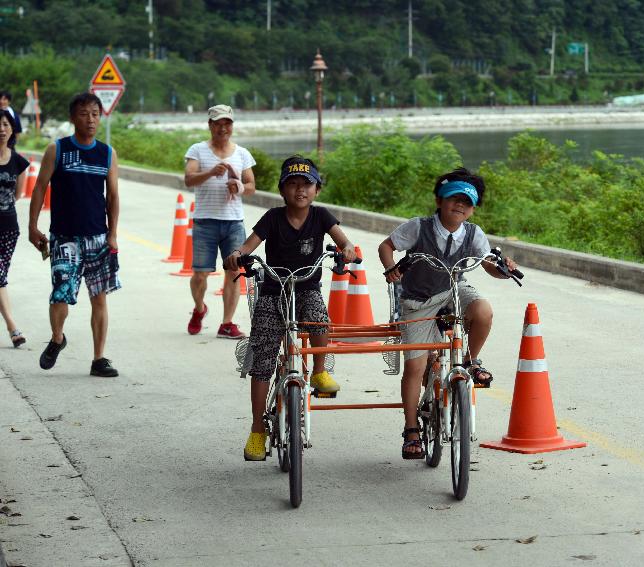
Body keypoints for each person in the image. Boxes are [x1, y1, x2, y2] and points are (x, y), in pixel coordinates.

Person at [378, 168, 517, 459]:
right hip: (417, 301)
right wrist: (391, 268)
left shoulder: (473, 233)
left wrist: (505, 269)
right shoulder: (419, 227)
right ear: (439, 200)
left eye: (467, 202)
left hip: (454, 289)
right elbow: (386, 246)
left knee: (483, 310)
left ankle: (470, 360)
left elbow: (488, 264)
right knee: (415, 368)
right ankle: (411, 429)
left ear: (473, 209)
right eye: (454, 198)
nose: (460, 205)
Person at [224, 155, 356, 461]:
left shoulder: (322, 216)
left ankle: (320, 373)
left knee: (320, 322)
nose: (300, 190)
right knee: (263, 361)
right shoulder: (272, 217)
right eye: (293, 184)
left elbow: (343, 242)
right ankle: (257, 429)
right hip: (273, 291)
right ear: (283, 190)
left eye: (306, 184)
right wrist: (236, 255)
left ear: (317, 190)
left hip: (307, 287)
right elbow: (247, 246)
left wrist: (346, 251)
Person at [28, 93, 121, 377]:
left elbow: (113, 196)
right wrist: (33, 226)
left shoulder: (107, 153)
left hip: (98, 238)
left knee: (99, 298)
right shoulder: (57, 149)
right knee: (60, 294)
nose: (90, 119)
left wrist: (113, 234)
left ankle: (99, 359)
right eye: (83, 114)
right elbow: (40, 187)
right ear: (73, 117)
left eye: (95, 114)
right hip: (64, 237)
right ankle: (57, 338)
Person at [184, 104, 256, 339]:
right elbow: (189, 179)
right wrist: (210, 172)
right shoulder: (197, 150)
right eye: (218, 123)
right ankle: (199, 308)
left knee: (234, 271)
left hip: (233, 222)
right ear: (210, 125)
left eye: (227, 123)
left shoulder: (242, 153)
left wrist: (240, 186)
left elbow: (251, 186)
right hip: (205, 222)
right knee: (200, 274)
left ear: (232, 125)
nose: (223, 128)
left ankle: (227, 323)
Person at [0, 109, 29, 347]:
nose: (1, 129)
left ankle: (11, 326)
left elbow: (18, 195)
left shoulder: (18, 161)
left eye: (5, 125)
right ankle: (12, 326)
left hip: (9, 227)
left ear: (11, 129)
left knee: (1, 276)